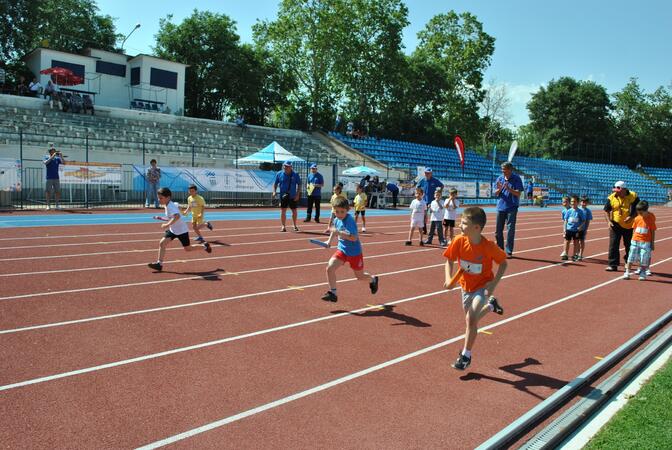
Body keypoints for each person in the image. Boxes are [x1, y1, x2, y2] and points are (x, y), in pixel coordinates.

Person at [444, 206, 507, 371]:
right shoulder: (458, 241)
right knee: (472, 320)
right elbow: (449, 260)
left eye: (464, 223)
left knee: (471, 319)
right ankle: (492, 305)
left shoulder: (489, 247)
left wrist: (493, 284)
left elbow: (503, 263)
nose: (460, 226)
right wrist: (448, 278)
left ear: (476, 228)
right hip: (465, 287)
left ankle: (466, 355)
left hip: (483, 286)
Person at [318, 196, 379, 303]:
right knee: (329, 268)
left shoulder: (350, 221)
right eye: (337, 211)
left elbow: (354, 237)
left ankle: (373, 279)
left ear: (347, 210)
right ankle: (333, 293)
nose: (339, 214)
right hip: (342, 250)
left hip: (354, 253)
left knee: (359, 277)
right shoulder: (337, 219)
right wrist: (329, 241)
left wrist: (340, 233)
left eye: (342, 211)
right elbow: (334, 230)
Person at [147, 187, 212, 272]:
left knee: (188, 249)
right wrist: (160, 218)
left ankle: (205, 246)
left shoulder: (170, 206)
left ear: (168, 197)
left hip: (182, 231)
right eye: (158, 198)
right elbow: (171, 217)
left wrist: (167, 224)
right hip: (173, 230)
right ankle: (159, 264)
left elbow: (177, 216)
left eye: (161, 198)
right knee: (162, 243)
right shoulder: (167, 205)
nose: (159, 200)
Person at [603, 181, 639, 271]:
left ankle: (628, 261)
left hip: (629, 225)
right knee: (613, 244)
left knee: (629, 245)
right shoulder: (611, 197)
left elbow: (638, 209)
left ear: (624, 189)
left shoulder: (633, 196)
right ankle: (613, 264)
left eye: (618, 190)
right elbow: (606, 210)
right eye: (615, 190)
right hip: (615, 224)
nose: (616, 192)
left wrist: (631, 217)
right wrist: (608, 222)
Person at [493, 161, 524, 258]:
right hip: (501, 207)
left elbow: (519, 194)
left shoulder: (516, 178)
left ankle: (509, 251)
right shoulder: (500, 178)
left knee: (510, 230)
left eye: (505, 170)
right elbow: (495, 193)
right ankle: (499, 249)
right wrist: (500, 189)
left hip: (512, 207)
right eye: (502, 170)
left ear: (510, 170)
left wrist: (508, 189)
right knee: (498, 231)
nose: (503, 172)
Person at [623, 201, 656, 281]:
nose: (640, 214)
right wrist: (632, 240)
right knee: (630, 257)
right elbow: (634, 230)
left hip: (646, 242)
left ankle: (642, 273)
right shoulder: (637, 218)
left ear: (646, 210)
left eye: (641, 213)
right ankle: (627, 272)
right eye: (638, 213)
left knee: (644, 259)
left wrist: (652, 243)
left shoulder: (651, 218)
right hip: (635, 241)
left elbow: (652, 231)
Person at [272, 161, 302, 232]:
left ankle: (294, 225)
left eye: (288, 166)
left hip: (293, 196)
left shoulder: (295, 174)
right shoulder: (279, 174)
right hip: (283, 196)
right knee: (283, 211)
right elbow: (275, 184)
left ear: (291, 167)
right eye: (285, 166)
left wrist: (298, 195)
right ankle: (283, 226)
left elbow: (299, 185)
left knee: (294, 211)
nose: (286, 167)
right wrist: (274, 191)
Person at [417, 168, 444, 234]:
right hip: (424, 200)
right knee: (424, 215)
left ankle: (432, 230)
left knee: (433, 216)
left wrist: (439, 192)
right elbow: (417, 187)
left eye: (428, 173)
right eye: (426, 173)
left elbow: (442, 185)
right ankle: (424, 229)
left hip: (433, 201)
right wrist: (420, 194)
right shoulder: (422, 180)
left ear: (431, 173)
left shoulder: (435, 180)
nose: (427, 174)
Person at [560, 195, 585, 261]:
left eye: (574, 201)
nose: (572, 203)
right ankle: (565, 254)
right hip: (569, 229)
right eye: (571, 201)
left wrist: (580, 227)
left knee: (575, 243)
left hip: (576, 230)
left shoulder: (580, 212)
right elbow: (565, 221)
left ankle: (574, 255)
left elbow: (583, 221)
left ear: (577, 202)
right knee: (567, 242)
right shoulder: (569, 211)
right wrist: (564, 230)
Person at [43, 143, 64, 210]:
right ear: (50, 152)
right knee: (48, 191)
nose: (54, 152)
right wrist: (52, 157)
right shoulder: (47, 157)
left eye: (54, 151)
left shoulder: (57, 159)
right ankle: (48, 205)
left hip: (56, 177)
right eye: (52, 151)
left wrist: (61, 156)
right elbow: (45, 162)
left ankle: (57, 205)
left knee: (57, 191)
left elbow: (63, 162)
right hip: (49, 177)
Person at [577, 196, 593, 261]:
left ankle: (580, 254)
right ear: (580, 202)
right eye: (582, 201)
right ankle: (577, 253)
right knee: (576, 242)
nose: (583, 203)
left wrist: (586, 229)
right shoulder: (577, 209)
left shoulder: (588, 211)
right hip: (575, 229)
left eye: (585, 202)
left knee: (582, 241)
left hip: (582, 229)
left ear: (587, 203)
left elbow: (588, 221)